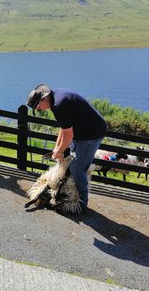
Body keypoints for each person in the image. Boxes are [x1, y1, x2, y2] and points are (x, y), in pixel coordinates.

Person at [27, 84, 107, 213]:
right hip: (81, 131)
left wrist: (59, 151)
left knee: (77, 168)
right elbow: (63, 128)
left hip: (92, 134)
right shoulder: (55, 98)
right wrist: (57, 148)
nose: (39, 109)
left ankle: (82, 202)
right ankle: (63, 191)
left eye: (37, 106)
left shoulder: (59, 105)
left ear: (43, 99)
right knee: (66, 161)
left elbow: (68, 135)